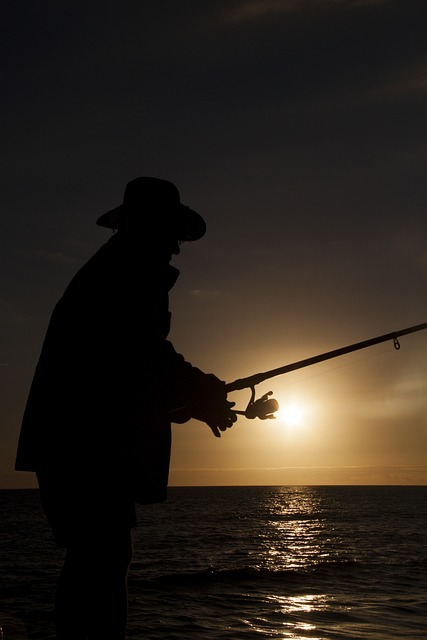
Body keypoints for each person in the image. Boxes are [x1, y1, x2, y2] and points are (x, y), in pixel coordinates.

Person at [15, 177, 237, 640]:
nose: (176, 247)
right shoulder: (129, 273)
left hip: (75, 439)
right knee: (102, 556)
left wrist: (196, 402)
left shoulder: (115, 269)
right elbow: (144, 355)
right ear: (151, 228)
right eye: (172, 233)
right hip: (84, 443)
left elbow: (126, 370)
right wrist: (203, 391)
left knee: (98, 555)